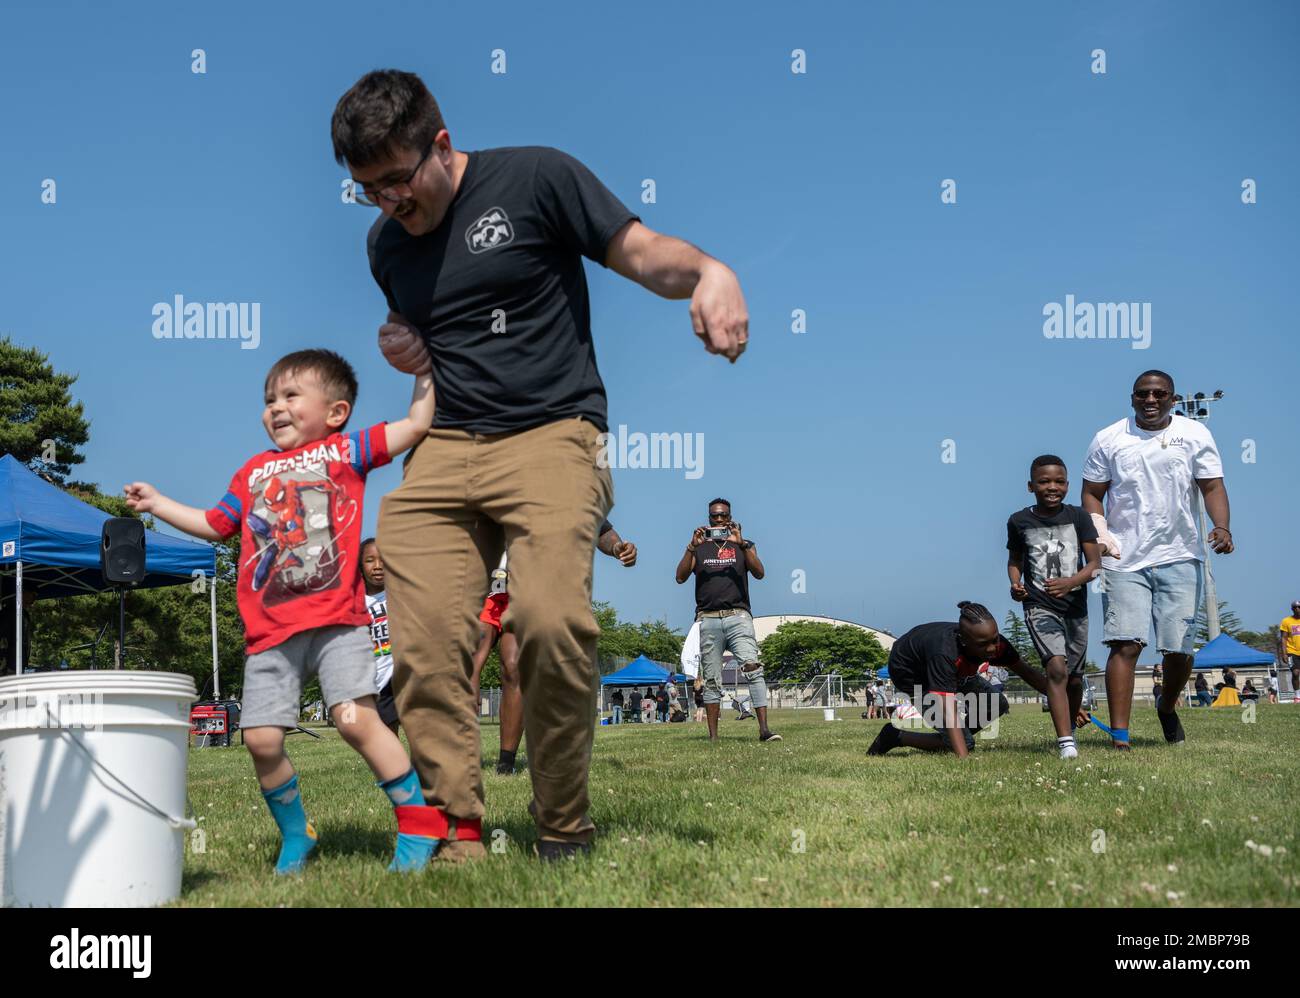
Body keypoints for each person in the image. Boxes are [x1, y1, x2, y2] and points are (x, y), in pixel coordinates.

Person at [334, 70, 748, 861]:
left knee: (552, 623)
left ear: (442, 144)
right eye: (367, 190)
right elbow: (419, 330)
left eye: (396, 180)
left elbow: (642, 251)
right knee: (420, 652)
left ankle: (562, 826)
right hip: (445, 442)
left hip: (556, 431)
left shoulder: (536, 176)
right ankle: (457, 832)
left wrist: (709, 272)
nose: (388, 203)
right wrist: (400, 343)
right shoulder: (385, 245)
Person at [125, 348, 443, 873]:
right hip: (269, 633)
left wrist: (423, 370)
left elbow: (416, 423)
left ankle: (417, 819)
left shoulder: (347, 450)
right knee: (261, 739)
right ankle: (299, 833)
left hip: (338, 623)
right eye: (269, 398)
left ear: (335, 411)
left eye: (291, 395)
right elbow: (215, 522)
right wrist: (158, 503)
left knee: (355, 720)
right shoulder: (252, 472)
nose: (276, 407)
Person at [1081, 370, 1234, 749]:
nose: (1151, 400)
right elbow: (1092, 494)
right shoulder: (1109, 438)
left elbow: (1212, 485)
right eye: (1143, 394)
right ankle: (1120, 737)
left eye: (1160, 394)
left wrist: (1222, 527)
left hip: (1179, 554)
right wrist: (1101, 535)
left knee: (1178, 650)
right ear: (1132, 398)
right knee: (1125, 644)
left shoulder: (1195, 434)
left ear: (1173, 398)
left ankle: (1167, 707)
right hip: (1123, 558)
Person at [470, 520, 636, 775]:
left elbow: (600, 528)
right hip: (486, 585)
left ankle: (506, 764)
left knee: (514, 669)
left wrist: (617, 548)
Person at [1007, 454, 1102, 758]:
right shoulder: (1019, 520)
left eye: (1059, 481)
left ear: (1067, 485)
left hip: (1075, 608)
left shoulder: (1079, 517)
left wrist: (1070, 582)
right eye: (1044, 481)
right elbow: (1015, 561)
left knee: (1074, 678)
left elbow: (1095, 566)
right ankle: (1066, 744)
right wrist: (1016, 584)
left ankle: (1070, 728)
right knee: (1056, 668)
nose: (1052, 487)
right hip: (1039, 605)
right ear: (1030, 485)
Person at [867, 602, 1051, 758]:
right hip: (911, 673)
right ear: (964, 642)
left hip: (949, 668)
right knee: (964, 744)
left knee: (996, 703)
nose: (992, 649)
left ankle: (955, 738)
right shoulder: (945, 653)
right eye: (983, 644)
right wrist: (963, 758)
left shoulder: (995, 644)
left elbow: (1028, 673)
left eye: (994, 639)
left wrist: (1065, 706)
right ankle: (894, 735)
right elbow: (948, 709)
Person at [675, 498, 780, 742]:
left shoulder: (744, 545)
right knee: (711, 680)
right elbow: (680, 577)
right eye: (715, 516)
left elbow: (760, 573)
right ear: (709, 518)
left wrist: (741, 544)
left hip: (738, 616)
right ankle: (713, 738)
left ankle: (764, 730)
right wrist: (691, 547)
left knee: (753, 668)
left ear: (731, 517)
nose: (719, 520)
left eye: (724, 516)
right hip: (708, 619)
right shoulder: (699, 546)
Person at [361, 538, 399, 735]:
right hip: (377, 677)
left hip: (402, 672)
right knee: (386, 732)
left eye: (383, 560)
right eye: (370, 560)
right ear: (360, 565)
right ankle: (395, 765)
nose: (377, 566)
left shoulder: (400, 594)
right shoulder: (356, 603)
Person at [0, 579, 38, 674]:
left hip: (20, 665)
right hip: (9, 666)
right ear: (22, 593)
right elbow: (3, 640)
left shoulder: (25, 614)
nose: (33, 599)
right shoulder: (7, 613)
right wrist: (3, 666)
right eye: (32, 595)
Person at [1278, 601, 1300, 696]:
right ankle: (1297, 696)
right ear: (1292, 609)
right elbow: (1284, 638)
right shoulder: (1286, 621)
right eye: (1295, 607)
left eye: (1299, 607)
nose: (1297, 609)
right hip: (1292, 651)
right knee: (1295, 673)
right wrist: (1284, 653)